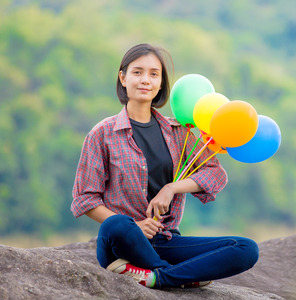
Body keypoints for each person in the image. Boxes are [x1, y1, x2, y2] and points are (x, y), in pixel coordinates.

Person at [71, 43, 259, 289]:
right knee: (116, 224)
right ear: (123, 78)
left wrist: (172, 188)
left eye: (153, 74)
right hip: (121, 244)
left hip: (166, 240)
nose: (145, 80)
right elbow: (85, 199)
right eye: (137, 72)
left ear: (161, 84)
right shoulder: (102, 134)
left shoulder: (178, 132)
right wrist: (135, 227)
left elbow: (215, 174)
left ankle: (157, 276)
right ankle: (179, 275)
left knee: (246, 248)